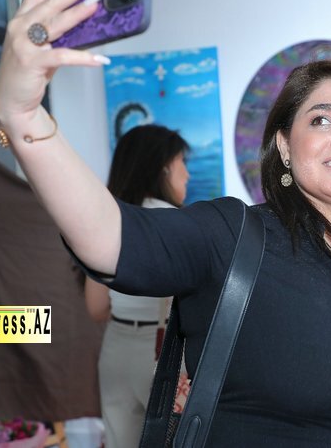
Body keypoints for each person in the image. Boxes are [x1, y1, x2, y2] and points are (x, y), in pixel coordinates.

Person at [0, 0, 331, 447]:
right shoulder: (233, 236)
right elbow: (112, 238)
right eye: (321, 119)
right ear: (284, 147)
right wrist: (23, 116)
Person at [84, 124, 190, 448]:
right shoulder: (179, 223)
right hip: (166, 350)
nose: (187, 174)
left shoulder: (105, 223)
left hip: (116, 349)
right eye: (182, 162)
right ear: (165, 167)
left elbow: (96, 307)